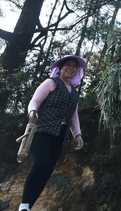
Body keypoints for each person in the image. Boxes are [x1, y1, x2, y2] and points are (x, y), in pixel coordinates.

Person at [18, 54, 86, 211]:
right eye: (67, 65)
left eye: (74, 66)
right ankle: (24, 203)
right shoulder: (51, 83)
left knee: (47, 170)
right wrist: (32, 111)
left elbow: (73, 116)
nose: (71, 68)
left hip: (59, 135)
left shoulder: (74, 93)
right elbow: (34, 101)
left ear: (77, 71)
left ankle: (28, 207)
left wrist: (78, 134)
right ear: (60, 68)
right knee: (40, 162)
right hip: (42, 129)